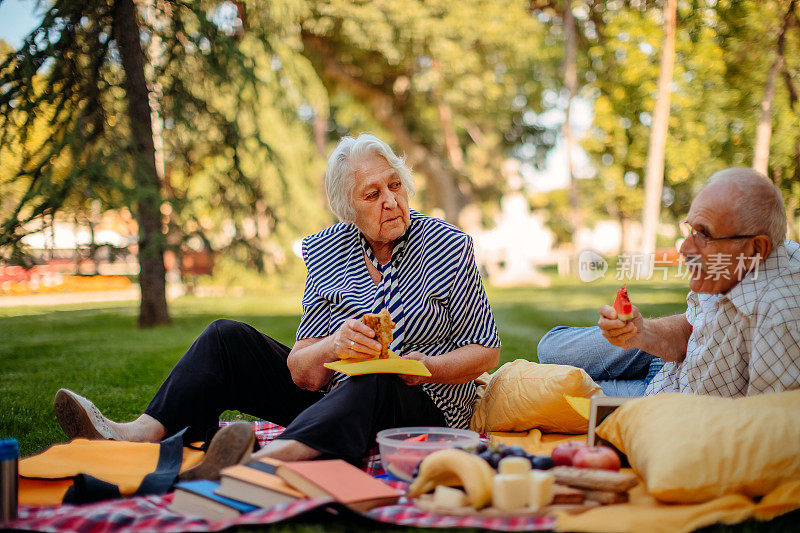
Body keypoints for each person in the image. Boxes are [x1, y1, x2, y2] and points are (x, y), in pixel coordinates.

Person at [55, 133, 501, 478]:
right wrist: (334, 347)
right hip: (333, 395)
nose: (390, 200)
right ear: (347, 207)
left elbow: (487, 350)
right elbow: (302, 372)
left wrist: (424, 366)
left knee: (381, 380)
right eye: (372, 194)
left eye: (395, 185)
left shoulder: (450, 246)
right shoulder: (327, 251)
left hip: (424, 404)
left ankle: (263, 461)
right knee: (225, 337)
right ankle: (140, 434)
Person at [538, 168, 800, 397]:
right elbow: (691, 329)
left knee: (551, 389)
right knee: (550, 348)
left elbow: (764, 430)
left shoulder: (779, 318)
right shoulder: (741, 260)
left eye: (703, 235)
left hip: (666, 398)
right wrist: (640, 332)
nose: (684, 249)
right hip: (670, 364)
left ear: (756, 249)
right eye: (690, 230)